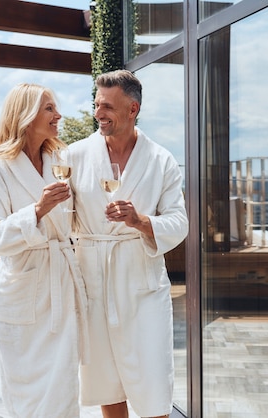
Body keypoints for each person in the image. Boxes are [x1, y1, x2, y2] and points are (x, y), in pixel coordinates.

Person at [69, 69, 188, 418]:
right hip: (95, 277)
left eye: (106, 106)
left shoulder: (161, 160)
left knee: (152, 377)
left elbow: (179, 222)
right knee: (106, 376)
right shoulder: (76, 156)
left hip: (141, 282)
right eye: (96, 104)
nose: (98, 113)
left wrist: (140, 221)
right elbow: (64, 218)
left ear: (132, 109)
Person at [0, 83, 88, 417]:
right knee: (26, 392)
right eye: (50, 108)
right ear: (26, 116)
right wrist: (36, 211)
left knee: (64, 386)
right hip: (21, 289)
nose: (59, 115)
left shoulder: (61, 159)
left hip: (61, 287)